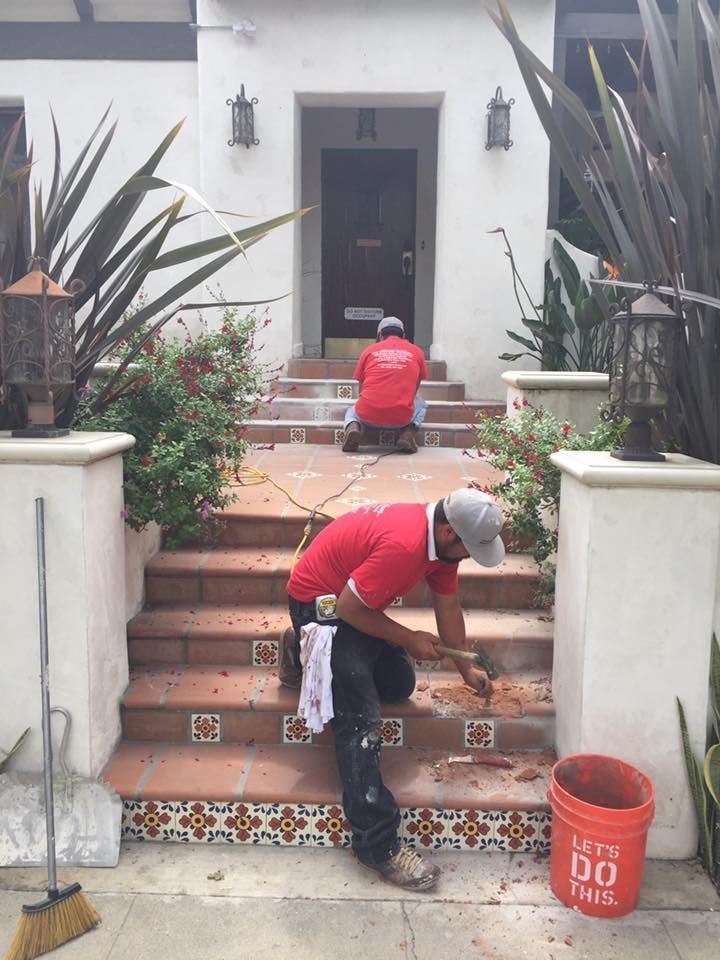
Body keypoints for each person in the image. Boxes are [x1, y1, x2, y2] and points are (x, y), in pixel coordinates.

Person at [281, 487, 505, 890]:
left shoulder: (439, 544)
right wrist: (407, 636)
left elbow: (448, 607)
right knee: (360, 720)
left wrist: (464, 670)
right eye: (470, 548)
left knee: (398, 683)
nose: (470, 556)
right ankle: (377, 846)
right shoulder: (404, 544)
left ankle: (304, 652)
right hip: (325, 608)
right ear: (450, 533)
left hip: (353, 605)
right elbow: (350, 609)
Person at [342, 316, 428, 454]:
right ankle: (407, 434)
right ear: (403, 336)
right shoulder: (417, 352)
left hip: (367, 415)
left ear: (380, 335)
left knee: (352, 411)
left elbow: (361, 387)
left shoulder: (369, 351)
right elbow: (415, 387)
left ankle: (353, 429)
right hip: (401, 419)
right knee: (422, 404)